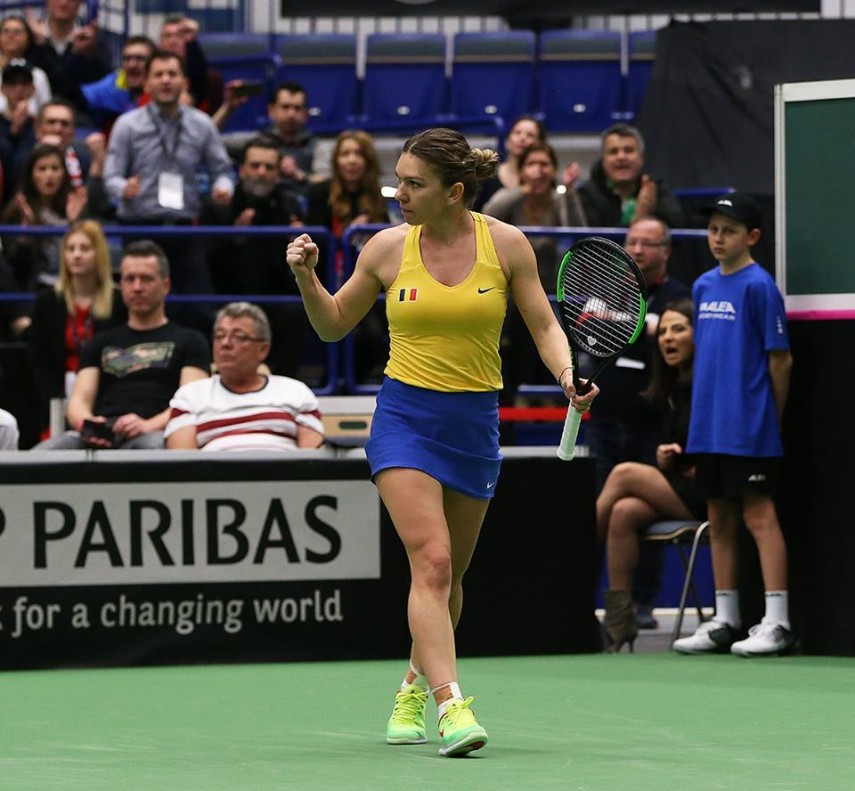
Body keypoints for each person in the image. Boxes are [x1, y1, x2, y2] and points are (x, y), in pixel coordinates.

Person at [286, 127, 597, 757]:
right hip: (404, 420)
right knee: (430, 561)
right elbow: (332, 325)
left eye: (413, 184)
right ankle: (453, 706)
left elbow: (543, 324)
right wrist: (308, 279)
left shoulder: (505, 244)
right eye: (398, 180)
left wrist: (567, 376)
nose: (399, 193)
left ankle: (411, 684)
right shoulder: (384, 248)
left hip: (473, 424)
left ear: (454, 192)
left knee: (450, 576)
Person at [672, 192, 795, 657]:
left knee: (759, 517)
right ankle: (726, 619)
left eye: (729, 231)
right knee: (719, 519)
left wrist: (768, 418)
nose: (718, 238)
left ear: (753, 236)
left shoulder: (760, 287)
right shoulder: (703, 286)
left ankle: (778, 622)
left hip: (751, 428)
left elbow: (780, 361)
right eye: (713, 230)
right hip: (708, 429)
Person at [584, 217, 692, 628]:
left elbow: (664, 332)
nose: (639, 250)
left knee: (635, 508)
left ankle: (642, 603)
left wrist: (628, 322)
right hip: (605, 424)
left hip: (654, 429)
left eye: (649, 244)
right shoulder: (609, 290)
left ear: (666, 251)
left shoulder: (680, 297)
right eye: (633, 242)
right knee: (617, 508)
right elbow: (587, 325)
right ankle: (595, 603)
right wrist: (640, 324)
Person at [597, 299, 706, 651]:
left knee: (624, 474)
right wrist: (668, 456)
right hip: (684, 483)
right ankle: (619, 621)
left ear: (699, 335)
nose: (668, 338)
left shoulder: (709, 382)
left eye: (679, 329)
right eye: (664, 332)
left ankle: (574, 557)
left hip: (713, 490)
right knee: (623, 512)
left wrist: (692, 457)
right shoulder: (671, 386)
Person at [32, 239, 210, 450]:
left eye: (146, 279)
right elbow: (79, 401)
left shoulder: (190, 341)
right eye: (130, 279)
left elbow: (191, 403)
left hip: (155, 433)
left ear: (165, 286)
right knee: (44, 453)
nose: (137, 287)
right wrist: (88, 424)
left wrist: (147, 426)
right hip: (103, 433)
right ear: (121, 284)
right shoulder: (100, 343)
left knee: (152, 446)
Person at [103, 48, 234, 297]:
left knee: (199, 305)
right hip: (139, 227)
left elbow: (222, 171)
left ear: (184, 82)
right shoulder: (127, 125)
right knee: (140, 299)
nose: (165, 80)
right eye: (159, 74)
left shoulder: (202, 124)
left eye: (172, 74)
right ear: (146, 83)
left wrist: (223, 188)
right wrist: (123, 188)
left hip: (184, 229)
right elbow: (111, 177)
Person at [202, 136, 306, 377]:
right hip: (228, 296)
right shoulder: (220, 205)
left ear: (277, 173)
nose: (261, 173)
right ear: (241, 170)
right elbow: (207, 259)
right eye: (255, 166)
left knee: (296, 313)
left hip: (276, 297)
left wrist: (298, 241)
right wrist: (235, 238)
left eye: (269, 167)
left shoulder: (289, 205)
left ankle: (283, 383)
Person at [165, 301, 324, 451]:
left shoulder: (296, 392)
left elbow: (313, 460)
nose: (225, 344)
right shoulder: (190, 396)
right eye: (219, 336)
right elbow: (184, 464)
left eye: (239, 337)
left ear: (263, 349)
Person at [27, 220, 126, 437]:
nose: (76, 255)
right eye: (71, 249)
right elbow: (38, 358)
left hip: (105, 400)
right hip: (55, 400)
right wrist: (56, 398)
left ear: (99, 254)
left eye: (84, 249)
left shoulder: (118, 302)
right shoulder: (48, 301)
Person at [0, 142, 90, 290]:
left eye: (55, 168)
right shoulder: (18, 210)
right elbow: (15, 270)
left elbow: (86, 255)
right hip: (35, 288)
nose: (49, 175)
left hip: (72, 286)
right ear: (31, 175)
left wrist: (73, 224)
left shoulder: (75, 207)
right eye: (42, 169)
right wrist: (25, 238)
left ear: (64, 173)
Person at [577, 123, 684, 229]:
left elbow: (677, 228)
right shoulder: (586, 194)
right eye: (613, 152)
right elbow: (593, 238)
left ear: (641, 158)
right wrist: (639, 216)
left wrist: (651, 211)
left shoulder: (655, 189)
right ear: (603, 160)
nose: (621, 157)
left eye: (628, 150)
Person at [221, 81, 317, 198]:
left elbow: (329, 182)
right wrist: (228, 108)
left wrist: (299, 174)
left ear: (306, 114)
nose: (291, 114)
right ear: (271, 110)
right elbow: (208, 140)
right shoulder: (255, 141)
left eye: (297, 108)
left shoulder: (318, 146)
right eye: (285, 107)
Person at [25, 0, 112, 120]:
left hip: (79, 117)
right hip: (34, 114)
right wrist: (40, 44)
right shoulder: (30, 38)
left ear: (80, 3)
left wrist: (87, 53)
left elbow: (100, 81)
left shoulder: (93, 40)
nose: (63, 3)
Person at [80, 35, 155, 137]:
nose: (132, 64)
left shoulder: (164, 89)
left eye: (140, 58)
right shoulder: (113, 83)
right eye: (127, 59)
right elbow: (80, 97)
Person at [472, 114, 546, 212]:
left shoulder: (543, 180)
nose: (522, 138)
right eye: (517, 133)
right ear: (508, 139)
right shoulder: (488, 176)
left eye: (530, 135)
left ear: (540, 143)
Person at [0, 14, 51, 115]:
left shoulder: (38, 75)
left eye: (17, 32)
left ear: (28, 38)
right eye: (6, 31)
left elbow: (46, 111)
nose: (11, 36)